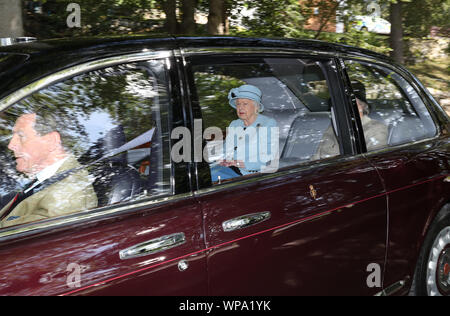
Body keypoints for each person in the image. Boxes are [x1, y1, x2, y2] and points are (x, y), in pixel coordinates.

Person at [0, 113, 98, 228]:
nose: (11, 145)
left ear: (51, 141)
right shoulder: (50, 179)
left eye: (21, 136)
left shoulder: (67, 195)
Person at [210, 84, 278, 182]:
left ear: (256, 107)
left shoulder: (268, 123)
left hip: (249, 174)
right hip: (229, 168)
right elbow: (226, 148)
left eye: (245, 104)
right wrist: (219, 159)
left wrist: (238, 163)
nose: (240, 108)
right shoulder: (235, 124)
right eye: (238, 104)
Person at [313, 81, 388, 160]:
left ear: (362, 106)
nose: (343, 108)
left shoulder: (376, 128)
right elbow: (317, 156)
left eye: (349, 103)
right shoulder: (335, 126)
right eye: (339, 103)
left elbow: (374, 160)